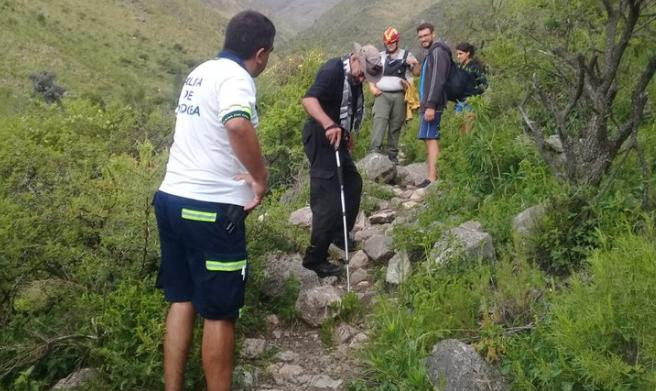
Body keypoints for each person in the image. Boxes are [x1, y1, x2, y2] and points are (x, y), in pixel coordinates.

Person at [152, 10, 274, 391]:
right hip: (209, 209)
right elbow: (236, 123)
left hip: (171, 198)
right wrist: (260, 178)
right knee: (220, 313)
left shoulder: (200, 71)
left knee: (182, 299)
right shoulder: (237, 78)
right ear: (261, 53)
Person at [301, 43, 383, 277]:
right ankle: (314, 260)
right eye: (363, 72)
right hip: (320, 136)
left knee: (353, 183)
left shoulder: (354, 79)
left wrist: (346, 134)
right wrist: (329, 125)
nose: (362, 78)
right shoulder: (333, 70)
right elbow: (309, 100)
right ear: (355, 58)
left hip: (337, 138)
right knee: (327, 200)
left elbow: (344, 110)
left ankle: (339, 234)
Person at [368, 27, 420, 164]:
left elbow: (417, 72)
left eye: (392, 43)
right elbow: (371, 74)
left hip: (400, 95)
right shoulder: (380, 56)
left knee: (396, 124)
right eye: (387, 43)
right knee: (380, 120)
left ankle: (392, 155)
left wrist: (413, 64)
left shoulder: (407, 55)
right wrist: (372, 87)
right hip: (382, 94)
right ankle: (375, 150)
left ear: (397, 41)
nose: (389, 45)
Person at [416, 22, 451, 187]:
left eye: (426, 35)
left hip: (433, 105)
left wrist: (430, 105)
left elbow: (438, 79)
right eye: (421, 37)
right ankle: (431, 175)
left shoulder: (438, 51)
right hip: (429, 104)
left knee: (431, 138)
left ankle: (432, 178)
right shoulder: (431, 52)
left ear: (433, 34)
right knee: (428, 138)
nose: (423, 39)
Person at [454, 42, 488, 134]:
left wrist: (473, 97)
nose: (458, 56)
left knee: (469, 130)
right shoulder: (459, 67)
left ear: (468, 53)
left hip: (470, 103)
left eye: (460, 54)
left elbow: (484, 84)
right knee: (461, 131)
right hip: (459, 103)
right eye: (457, 54)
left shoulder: (475, 67)